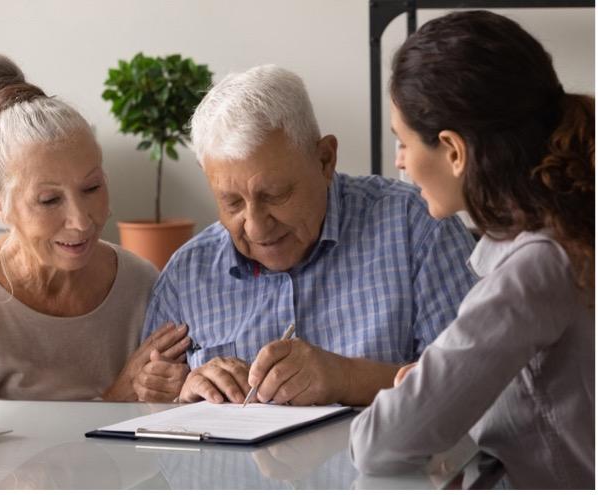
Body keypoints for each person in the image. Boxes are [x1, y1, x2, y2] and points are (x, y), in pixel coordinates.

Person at [349, 11, 594, 489]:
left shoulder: (535, 267)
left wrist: (421, 399)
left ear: (454, 151)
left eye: (402, 142)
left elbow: (379, 444)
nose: (399, 162)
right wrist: (435, 386)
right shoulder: (568, 236)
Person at [133, 64, 477, 405]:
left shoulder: (416, 227)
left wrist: (348, 379)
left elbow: (477, 387)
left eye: (275, 194)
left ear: (325, 160)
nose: (255, 226)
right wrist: (180, 394)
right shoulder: (186, 276)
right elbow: (145, 428)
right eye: (232, 202)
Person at [0, 54, 189, 400]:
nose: (81, 221)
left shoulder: (141, 283)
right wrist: (113, 401)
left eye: (92, 188)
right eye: (49, 200)